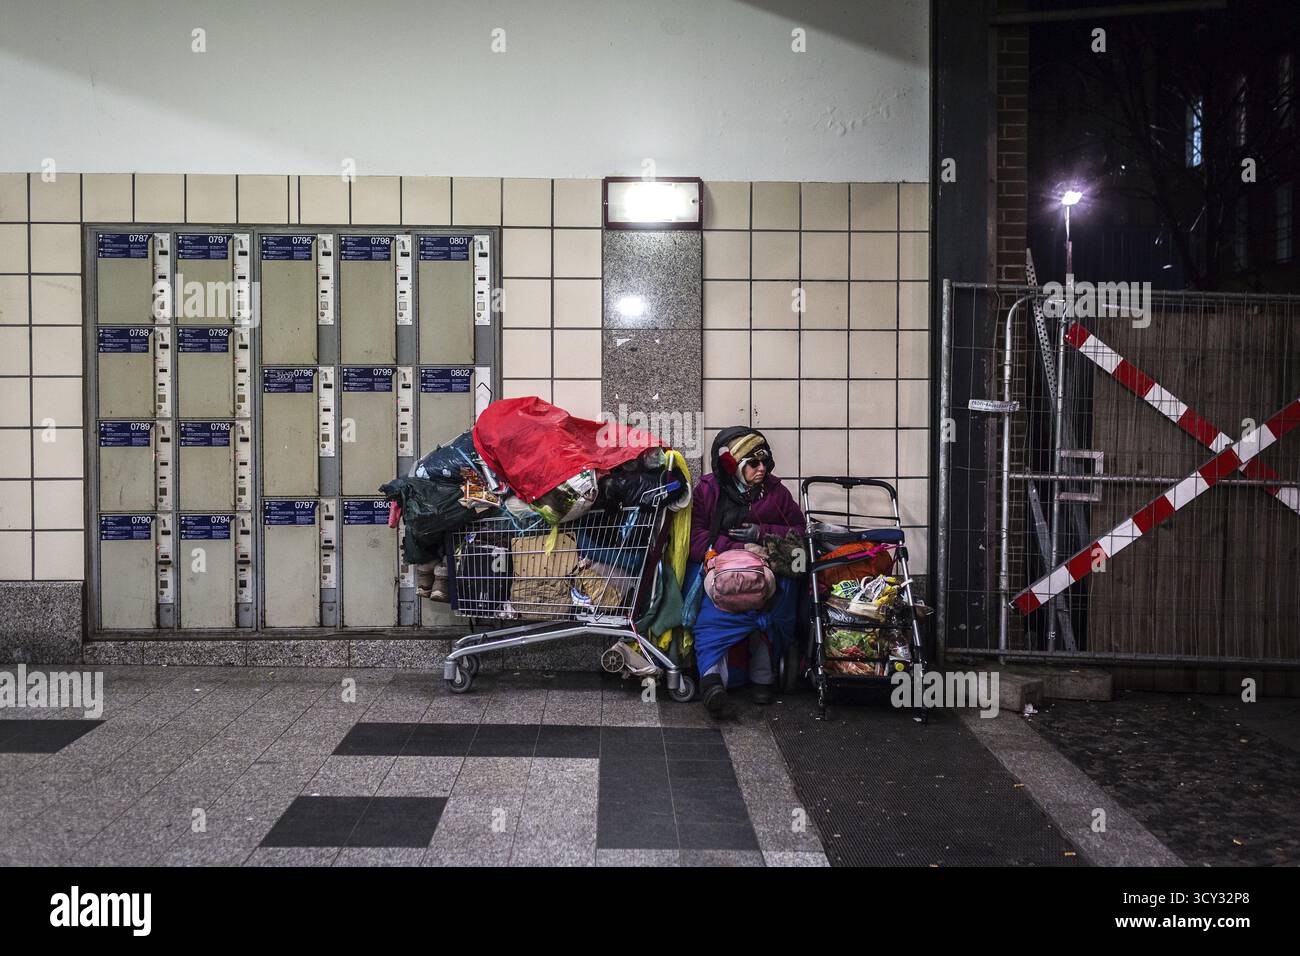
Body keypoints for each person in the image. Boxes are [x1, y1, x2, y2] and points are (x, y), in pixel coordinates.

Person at [689, 427, 805, 716]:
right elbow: (694, 538)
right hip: (720, 570)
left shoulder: (777, 493)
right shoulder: (707, 490)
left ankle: (762, 677)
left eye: (765, 462)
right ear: (734, 466)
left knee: (765, 611)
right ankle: (712, 680)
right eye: (753, 463)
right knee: (712, 615)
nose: (762, 468)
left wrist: (762, 534)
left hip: (765, 572)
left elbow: (800, 532)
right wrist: (735, 546)